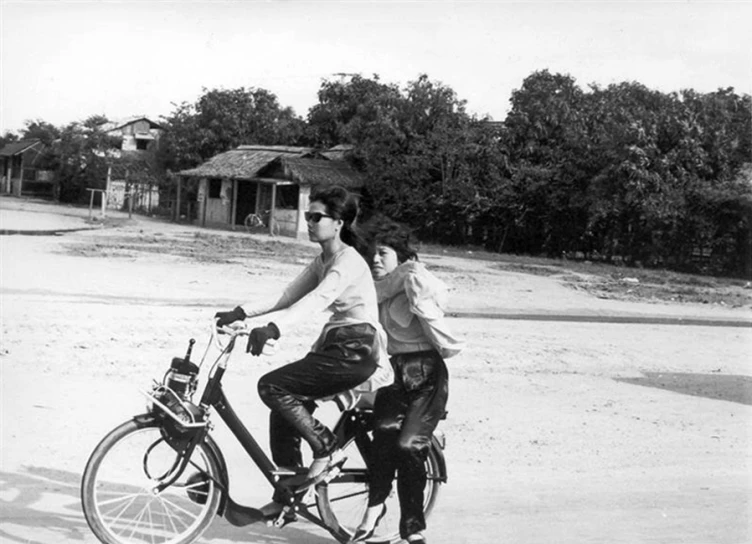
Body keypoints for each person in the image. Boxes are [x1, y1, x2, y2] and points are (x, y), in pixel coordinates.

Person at [214, 186, 392, 519]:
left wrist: (274, 330)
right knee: (281, 413)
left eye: (316, 217)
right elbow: (288, 295)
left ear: (338, 222)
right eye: (307, 216)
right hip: (337, 346)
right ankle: (288, 497)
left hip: (356, 350)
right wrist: (241, 312)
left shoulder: (348, 262)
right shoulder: (323, 259)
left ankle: (324, 445)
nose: (309, 222)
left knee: (272, 386)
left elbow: (317, 300)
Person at [351, 217, 464, 544]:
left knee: (408, 445)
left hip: (427, 374)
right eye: (372, 253)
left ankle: (413, 527)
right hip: (395, 373)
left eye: (382, 253)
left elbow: (436, 295)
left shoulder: (414, 277)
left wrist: (410, 273)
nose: (375, 259)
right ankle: (375, 508)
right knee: (384, 436)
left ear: (399, 256)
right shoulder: (375, 291)